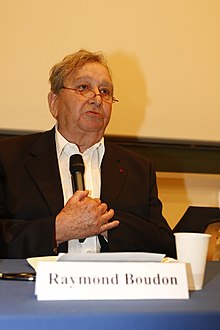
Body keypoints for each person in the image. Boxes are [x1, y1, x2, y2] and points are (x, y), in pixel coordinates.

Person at [0, 49, 176, 258]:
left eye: (105, 91)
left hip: (115, 287)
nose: (97, 99)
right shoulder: (9, 157)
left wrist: (104, 222)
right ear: (54, 103)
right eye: (83, 87)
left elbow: (165, 245)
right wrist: (57, 230)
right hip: (31, 287)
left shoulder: (138, 168)